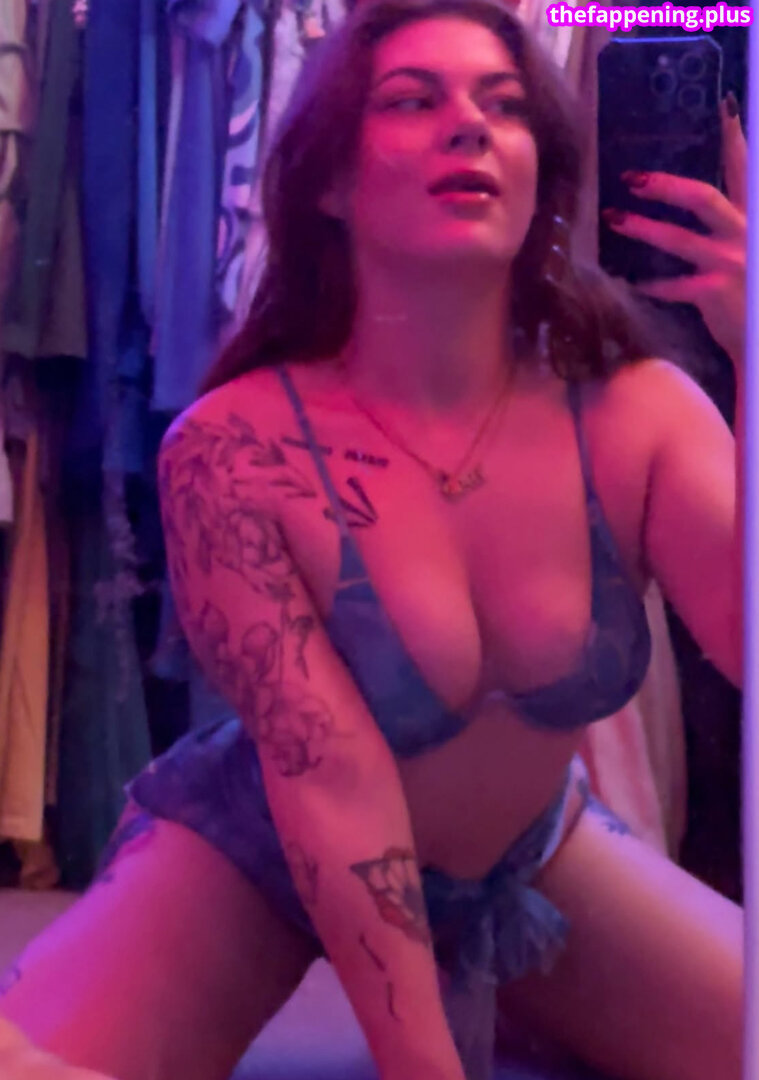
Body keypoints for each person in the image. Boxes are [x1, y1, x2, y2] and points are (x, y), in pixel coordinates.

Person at [0, 2, 746, 1079]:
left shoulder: (639, 412)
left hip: (531, 850)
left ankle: (525, 1001)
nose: (469, 125)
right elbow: (333, 789)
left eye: (505, 105)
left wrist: (754, 350)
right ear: (329, 183)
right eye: (411, 100)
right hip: (260, 850)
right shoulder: (236, 446)